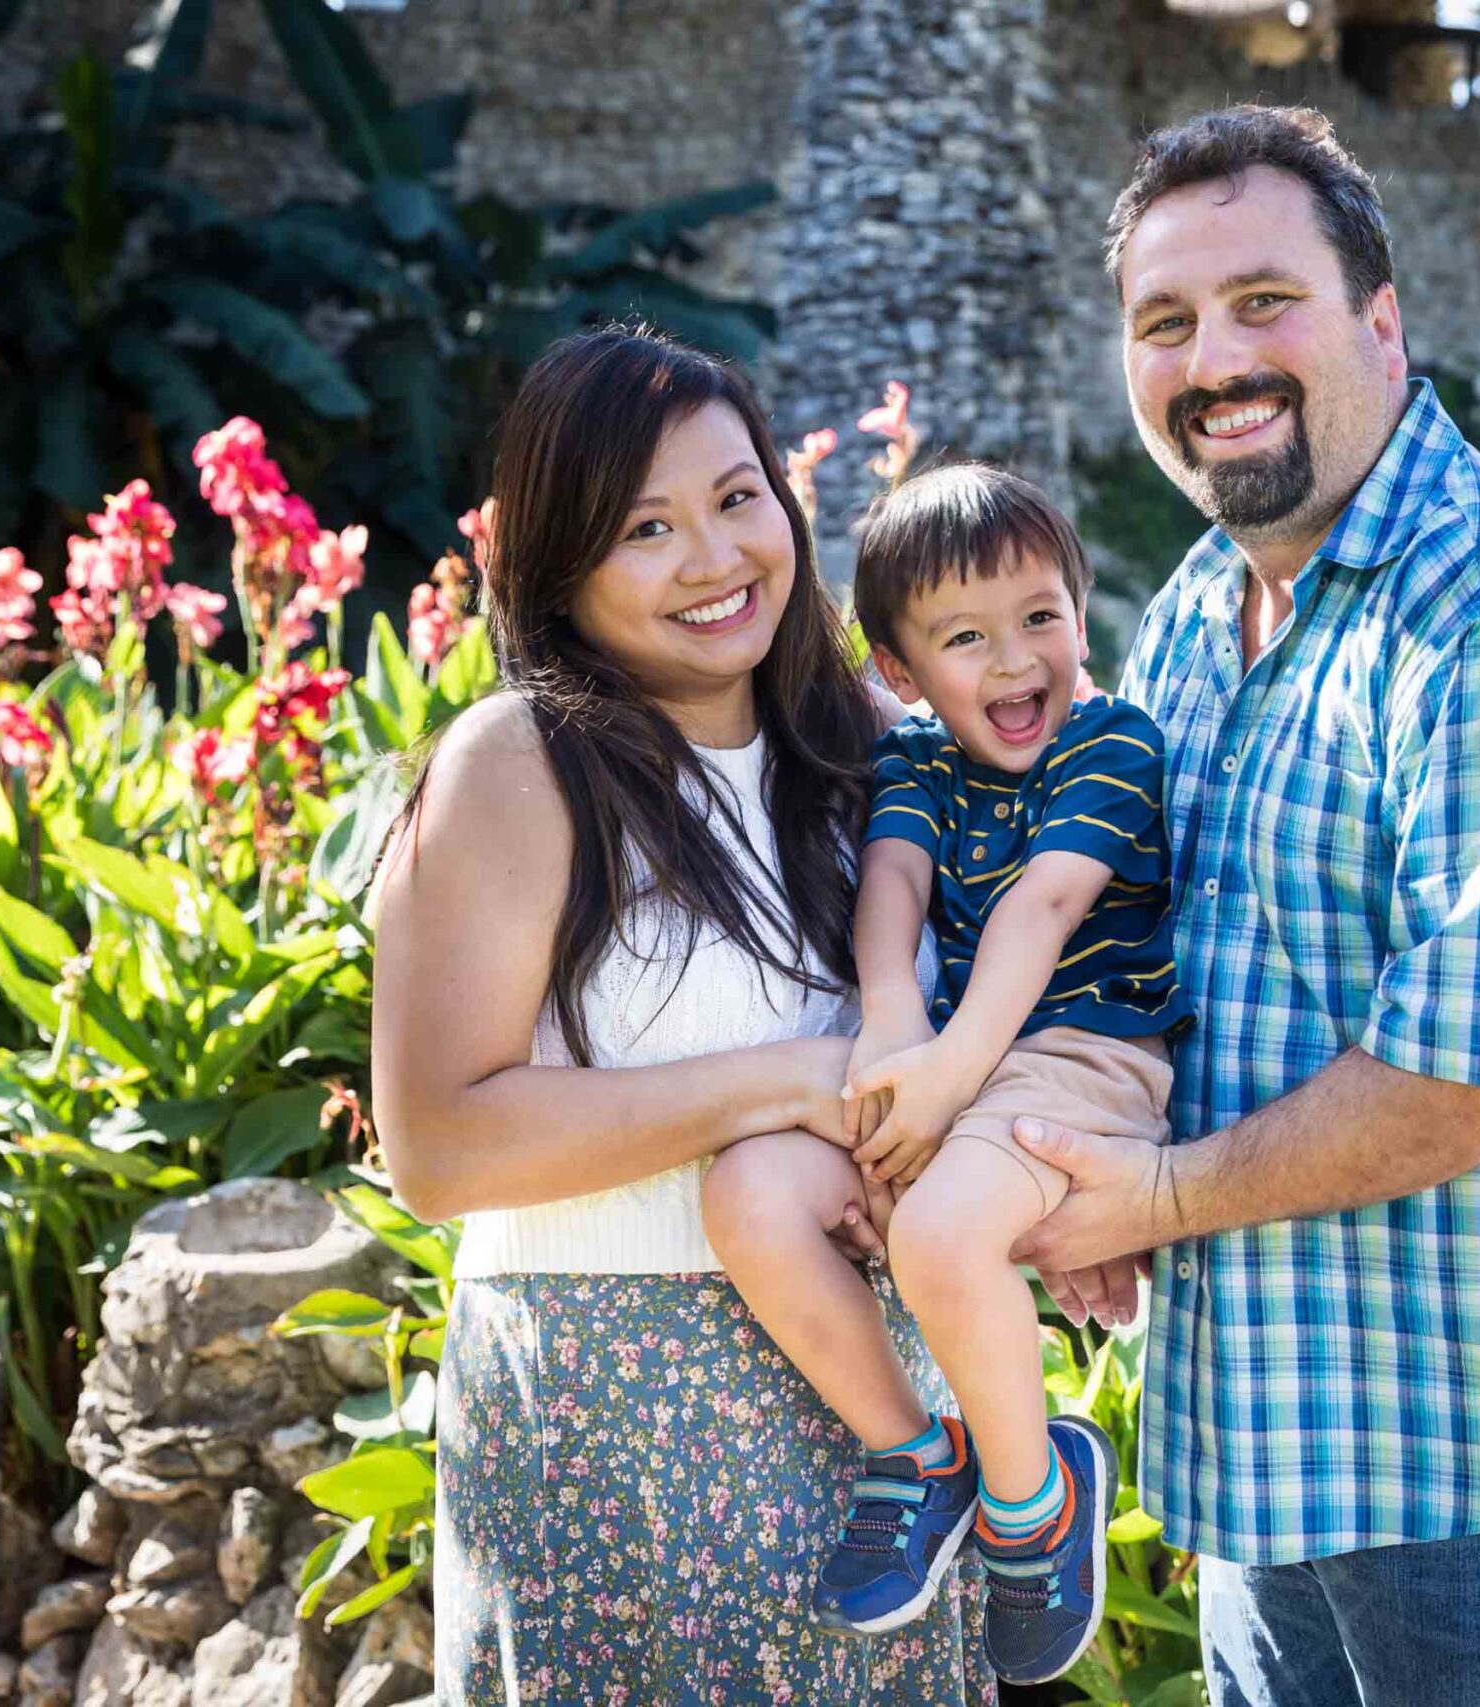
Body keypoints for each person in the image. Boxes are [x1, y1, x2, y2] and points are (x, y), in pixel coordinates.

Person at [1006, 105, 1480, 1704]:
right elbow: (1173, 971)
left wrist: (1152, 1196)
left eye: (1261, 301)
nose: (1213, 357)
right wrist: (1076, 1146)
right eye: (1166, 323)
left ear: (1382, 319)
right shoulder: (1200, 627)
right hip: (1278, 1456)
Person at [368, 327, 991, 1705]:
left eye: (736, 496)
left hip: (875, 1432)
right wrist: (783, 1082)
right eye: (647, 525)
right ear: (561, 563)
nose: (715, 558)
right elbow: (436, 1143)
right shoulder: (517, 764)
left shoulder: (876, 753)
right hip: (599, 1414)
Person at [701, 464, 1192, 1687]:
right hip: (955, 1054)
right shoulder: (916, 756)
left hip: (1084, 1052)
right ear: (903, 676)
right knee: (751, 1188)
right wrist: (886, 1043)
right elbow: (893, 889)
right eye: (967, 639)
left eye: (1042, 617)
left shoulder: (1109, 739)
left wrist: (941, 1078)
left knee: (938, 1231)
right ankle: (917, 1453)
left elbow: (1041, 907)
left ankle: (1034, 1505)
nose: (1017, 659)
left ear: (1083, 615)